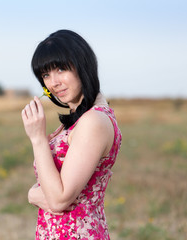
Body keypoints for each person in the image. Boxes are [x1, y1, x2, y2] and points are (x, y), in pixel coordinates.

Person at [21, 29, 122, 239]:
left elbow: (59, 199)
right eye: (46, 74)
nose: (53, 82)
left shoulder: (93, 121)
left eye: (61, 69)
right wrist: (35, 194)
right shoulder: (78, 120)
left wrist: (38, 138)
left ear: (82, 65)